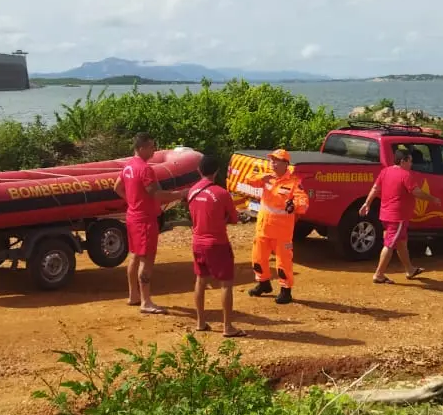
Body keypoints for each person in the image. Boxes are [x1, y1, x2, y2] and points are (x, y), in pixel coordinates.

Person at [114, 133, 183, 314]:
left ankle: (133, 295)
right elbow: (156, 194)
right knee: (147, 259)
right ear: (142, 147)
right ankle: (146, 302)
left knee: (135, 255)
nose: (154, 150)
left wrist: (132, 201)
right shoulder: (145, 169)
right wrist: (180, 194)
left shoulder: (128, 166)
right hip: (144, 220)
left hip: (132, 216)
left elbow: (117, 187)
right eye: (152, 146)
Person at [360, 144, 440, 284]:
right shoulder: (406, 175)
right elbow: (416, 192)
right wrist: (433, 199)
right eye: (410, 161)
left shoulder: (385, 172)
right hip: (397, 217)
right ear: (403, 161)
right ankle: (379, 274)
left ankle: (410, 269)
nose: (411, 163)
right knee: (390, 245)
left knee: (401, 243)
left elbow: (375, 188)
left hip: (386, 214)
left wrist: (367, 203)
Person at [186, 153, 246, 337]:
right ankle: (227, 327)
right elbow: (234, 219)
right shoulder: (221, 193)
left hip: (197, 241)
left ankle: (200, 322)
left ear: (199, 170)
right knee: (226, 284)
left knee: (200, 280)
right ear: (217, 171)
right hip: (217, 243)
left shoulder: (192, 191)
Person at [248, 149, 309, 305]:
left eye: (276, 161)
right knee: (258, 258)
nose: (272, 163)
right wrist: (263, 177)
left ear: (285, 164)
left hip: (282, 232)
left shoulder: (294, 182)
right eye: (271, 160)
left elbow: (303, 202)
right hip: (263, 228)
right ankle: (263, 284)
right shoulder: (267, 177)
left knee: (283, 262)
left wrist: (294, 205)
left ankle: (285, 291)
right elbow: (249, 179)